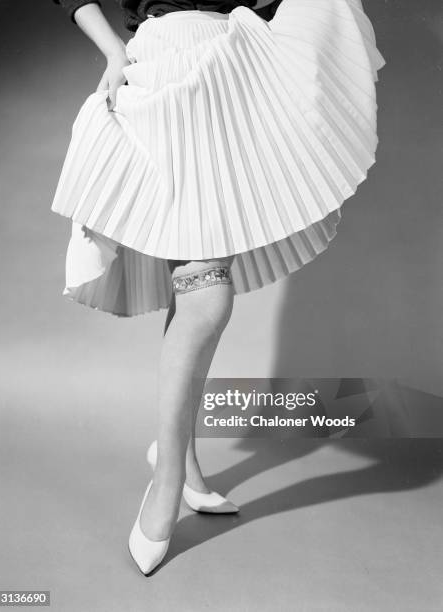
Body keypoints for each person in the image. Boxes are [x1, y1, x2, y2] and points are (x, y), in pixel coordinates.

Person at [51, 0, 385, 574]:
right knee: (206, 297)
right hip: (166, 67)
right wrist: (111, 49)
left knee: (195, 289)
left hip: (235, 68)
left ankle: (180, 457)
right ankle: (169, 477)